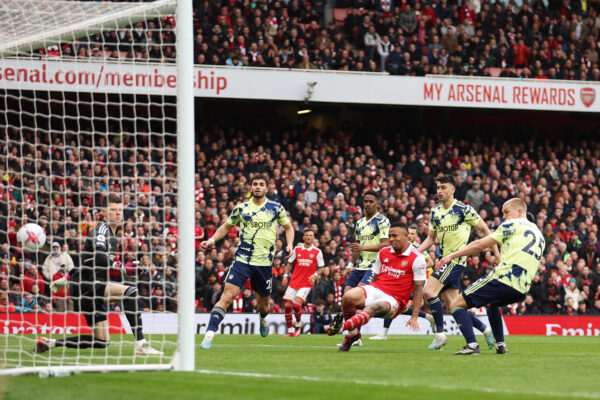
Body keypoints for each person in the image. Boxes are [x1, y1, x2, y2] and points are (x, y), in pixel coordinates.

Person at [35, 194, 162, 355]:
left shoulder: (114, 238)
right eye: (113, 209)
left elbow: (88, 261)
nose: (118, 213)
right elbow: (101, 256)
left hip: (85, 286)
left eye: (120, 210)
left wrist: (66, 279)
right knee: (131, 292)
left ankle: (50, 343)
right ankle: (141, 344)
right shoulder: (102, 229)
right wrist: (121, 266)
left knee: (102, 342)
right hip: (88, 285)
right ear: (104, 212)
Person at [436, 198, 545, 354]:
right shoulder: (538, 233)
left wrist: (451, 256)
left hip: (503, 279)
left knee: (455, 305)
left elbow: (480, 244)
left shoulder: (512, 224)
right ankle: (501, 345)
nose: (504, 217)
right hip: (522, 289)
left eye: (506, 212)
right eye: (502, 214)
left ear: (520, 211)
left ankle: (472, 345)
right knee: (491, 304)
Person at [199, 174, 294, 349]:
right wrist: (212, 240)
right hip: (242, 261)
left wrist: (289, 245)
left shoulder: (275, 208)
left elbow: (288, 227)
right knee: (227, 296)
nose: (258, 187)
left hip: (265, 264)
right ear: (250, 187)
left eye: (261, 185)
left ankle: (263, 318)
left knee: (263, 305)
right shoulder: (241, 208)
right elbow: (226, 227)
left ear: (267, 188)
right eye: (255, 184)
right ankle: (209, 333)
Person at [419, 174, 498, 350]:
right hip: (443, 260)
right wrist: (416, 252)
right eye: (438, 188)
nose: (439, 191)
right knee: (454, 306)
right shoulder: (435, 211)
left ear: (452, 189)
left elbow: (486, 231)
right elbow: (431, 238)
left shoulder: (464, 210)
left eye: (443, 187)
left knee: (429, 291)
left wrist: (496, 254)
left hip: (455, 261)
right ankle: (485, 331)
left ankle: (439, 335)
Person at [327, 222, 427, 351]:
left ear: (406, 236)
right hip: (377, 288)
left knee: (374, 307)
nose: (391, 239)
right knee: (348, 297)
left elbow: (419, 290)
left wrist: (414, 316)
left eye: (394, 236)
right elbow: (374, 277)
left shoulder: (417, 257)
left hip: (394, 299)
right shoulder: (384, 252)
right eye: (389, 236)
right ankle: (353, 335)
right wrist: (368, 291)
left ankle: (341, 327)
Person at [370, 224, 435, 340]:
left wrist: (412, 271)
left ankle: (383, 333)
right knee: (399, 307)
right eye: (409, 233)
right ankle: (427, 317)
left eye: (412, 234)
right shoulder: (397, 247)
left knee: (392, 303)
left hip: (410, 283)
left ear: (416, 236)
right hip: (398, 281)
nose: (410, 236)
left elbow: (430, 262)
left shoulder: (416, 248)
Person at [342, 190, 390, 346]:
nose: (367, 204)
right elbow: (357, 247)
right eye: (365, 201)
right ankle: (356, 336)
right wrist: (350, 265)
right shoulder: (360, 222)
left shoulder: (382, 221)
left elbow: (385, 244)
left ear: (377, 204)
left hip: (374, 266)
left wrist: (363, 248)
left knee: (357, 298)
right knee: (346, 298)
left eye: (371, 201)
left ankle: (353, 336)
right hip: (360, 266)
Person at [281, 229, 324, 337]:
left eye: (311, 235)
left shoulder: (317, 252)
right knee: (287, 306)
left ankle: (298, 325)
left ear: (313, 238)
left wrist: (315, 274)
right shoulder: (297, 249)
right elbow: (290, 264)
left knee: (296, 304)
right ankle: (290, 331)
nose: (309, 237)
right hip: (294, 281)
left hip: (306, 283)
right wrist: (286, 275)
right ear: (303, 237)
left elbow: (322, 267)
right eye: (307, 235)